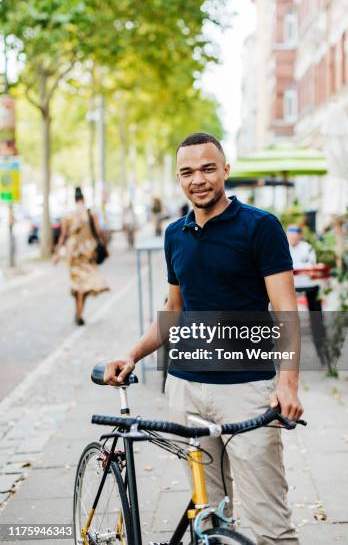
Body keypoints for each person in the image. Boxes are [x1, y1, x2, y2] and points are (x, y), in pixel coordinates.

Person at [104, 133, 302, 544]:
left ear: (226, 170)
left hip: (246, 392)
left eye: (208, 168)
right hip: (186, 392)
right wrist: (133, 354)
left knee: (269, 525)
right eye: (187, 171)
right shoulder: (174, 234)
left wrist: (287, 383)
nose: (199, 179)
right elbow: (173, 310)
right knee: (208, 519)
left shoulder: (260, 228)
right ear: (178, 178)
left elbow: (286, 310)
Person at [53, 187, 110, 325]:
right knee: (85, 284)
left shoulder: (68, 215)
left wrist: (56, 253)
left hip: (72, 253)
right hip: (87, 253)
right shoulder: (90, 212)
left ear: (74, 199)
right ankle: (79, 312)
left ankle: (78, 311)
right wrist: (105, 245)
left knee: (77, 284)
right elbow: (98, 230)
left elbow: (63, 236)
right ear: (83, 199)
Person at [286, 225, 327, 365]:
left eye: (295, 235)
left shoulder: (307, 247)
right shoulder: (283, 247)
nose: (292, 238)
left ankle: (322, 350)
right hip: (291, 285)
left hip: (309, 285)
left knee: (316, 317)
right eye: (290, 235)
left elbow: (312, 267)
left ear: (300, 235)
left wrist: (299, 269)